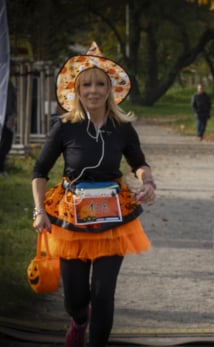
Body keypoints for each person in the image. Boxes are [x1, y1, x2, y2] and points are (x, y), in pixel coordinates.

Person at [31, 42, 156, 347]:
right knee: (76, 296)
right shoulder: (64, 127)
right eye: (86, 84)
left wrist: (147, 180)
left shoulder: (123, 128)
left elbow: (138, 162)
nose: (94, 90)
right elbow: (40, 171)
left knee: (103, 293)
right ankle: (78, 319)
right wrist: (39, 211)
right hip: (70, 217)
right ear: (76, 89)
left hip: (113, 217)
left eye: (100, 83)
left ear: (110, 89)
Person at [0, 80, 16, 177]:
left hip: (7, 116)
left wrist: (11, 117)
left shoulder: (8, 83)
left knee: (6, 144)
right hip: (3, 117)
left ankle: (2, 168)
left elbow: (12, 103)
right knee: (3, 144)